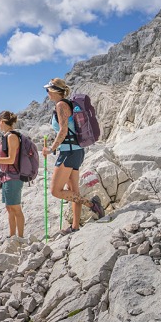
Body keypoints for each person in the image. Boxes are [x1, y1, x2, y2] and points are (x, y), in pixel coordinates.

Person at [44, 78, 104, 235]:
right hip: (76, 151)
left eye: (48, 90)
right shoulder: (67, 104)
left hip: (68, 152)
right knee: (73, 191)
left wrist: (51, 149)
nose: (47, 94)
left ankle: (91, 204)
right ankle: (75, 227)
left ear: (56, 91)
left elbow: (63, 131)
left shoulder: (61, 105)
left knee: (56, 191)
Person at [0, 111, 25, 239]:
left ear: (2, 121)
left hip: (13, 177)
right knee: (9, 208)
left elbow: (11, 160)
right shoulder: (6, 136)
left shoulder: (12, 137)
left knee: (16, 208)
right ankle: (12, 236)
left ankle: (20, 237)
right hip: (6, 176)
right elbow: (6, 160)